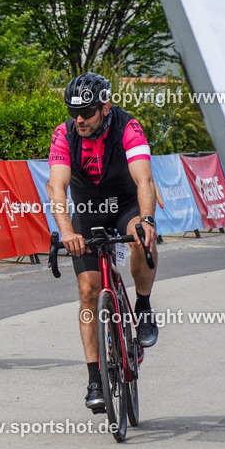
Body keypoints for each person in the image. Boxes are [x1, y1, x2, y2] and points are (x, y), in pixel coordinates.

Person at [47, 72, 159, 414]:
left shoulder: (128, 126)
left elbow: (144, 178)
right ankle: (95, 379)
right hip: (87, 208)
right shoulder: (64, 134)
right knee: (87, 290)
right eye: (73, 111)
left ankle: (142, 305)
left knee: (141, 239)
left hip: (124, 201)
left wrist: (147, 220)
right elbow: (57, 188)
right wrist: (67, 232)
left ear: (105, 107)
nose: (79, 119)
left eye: (87, 112)